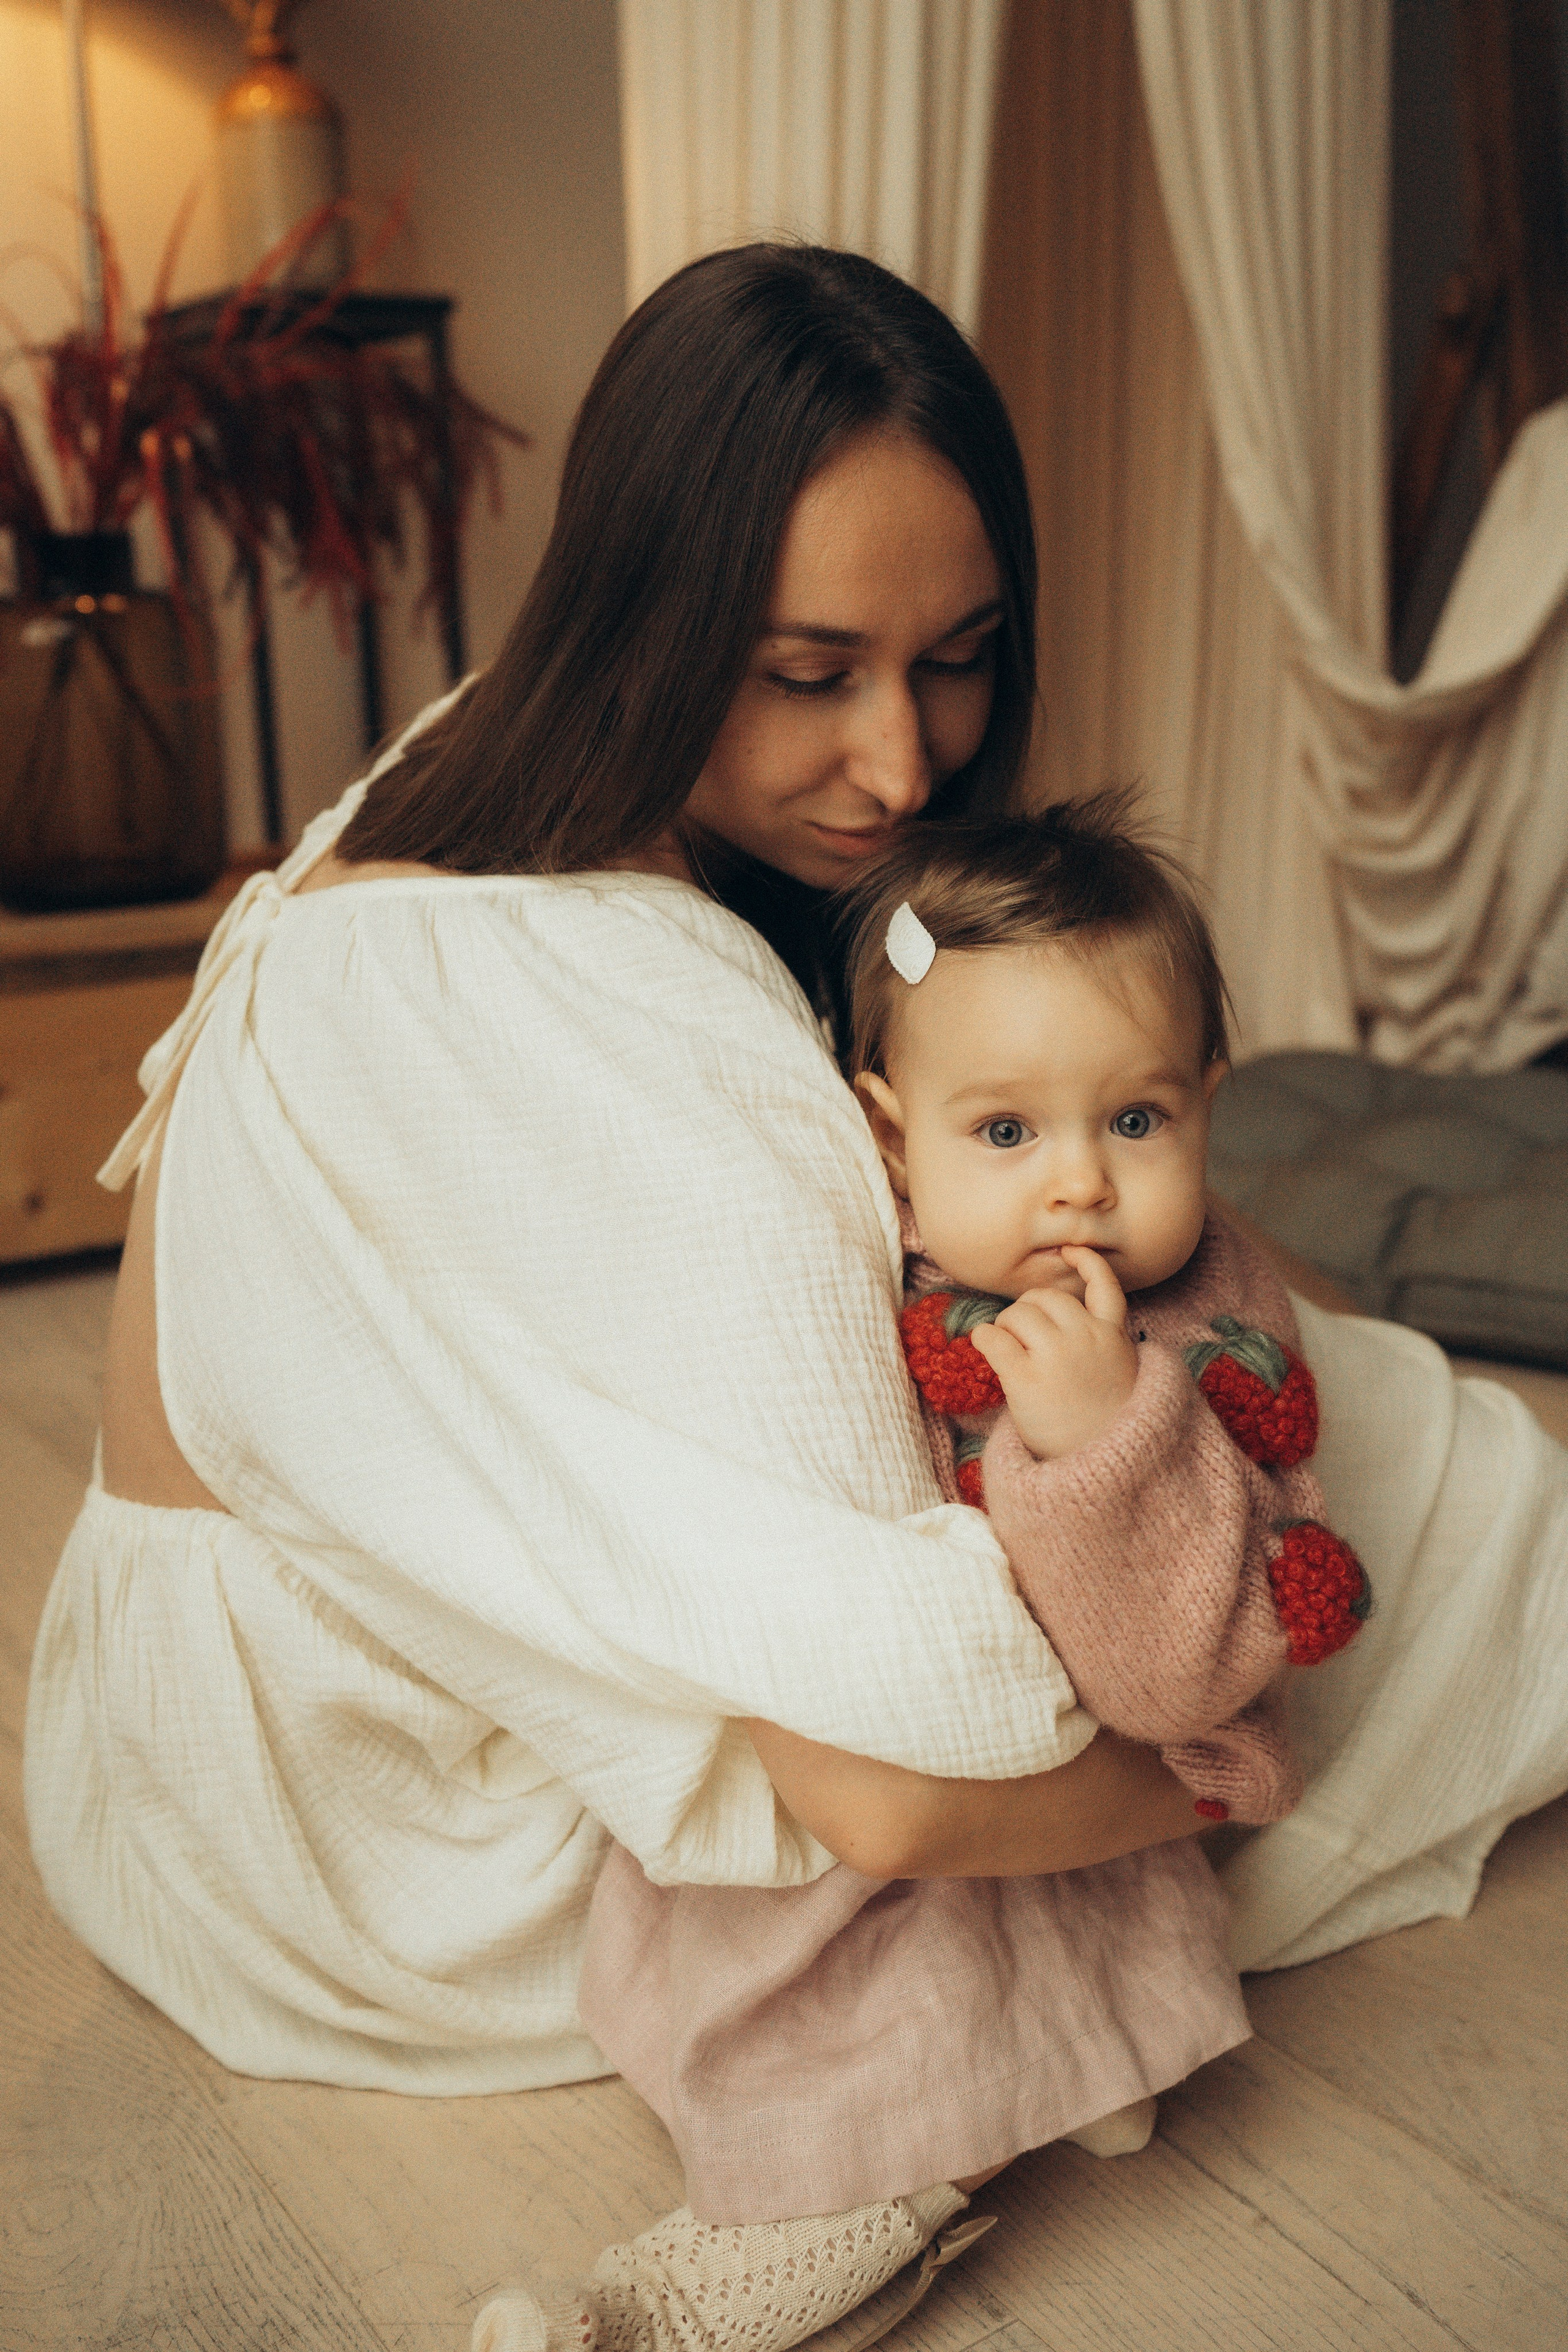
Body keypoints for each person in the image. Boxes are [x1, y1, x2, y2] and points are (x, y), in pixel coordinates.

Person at [23, 247, 1568, 2352]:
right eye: (808, 673)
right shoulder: (633, 1016)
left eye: (961, 659)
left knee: (1332, 1383)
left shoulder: (482, 762)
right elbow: (891, 1771)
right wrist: (1218, 1764)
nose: (903, 762)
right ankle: (883, 2156)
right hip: (362, 1841)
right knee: (1409, 1519)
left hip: (156, 1747)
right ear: (653, 618)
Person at [538, 803, 1368, 2352]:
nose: (1078, 1187)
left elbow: (1185, 1676)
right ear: (885, 1137)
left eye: (1135, 1122)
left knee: (921, 1989)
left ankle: (846, 2209)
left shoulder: (1205, 1338)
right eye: (1004, 1133)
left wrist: (1106, 1437)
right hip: (892, 1730)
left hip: (1075, 1791)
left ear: (1206, 1103)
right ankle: (1013, 2080)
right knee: (753, 1907)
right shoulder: (863, 1248)